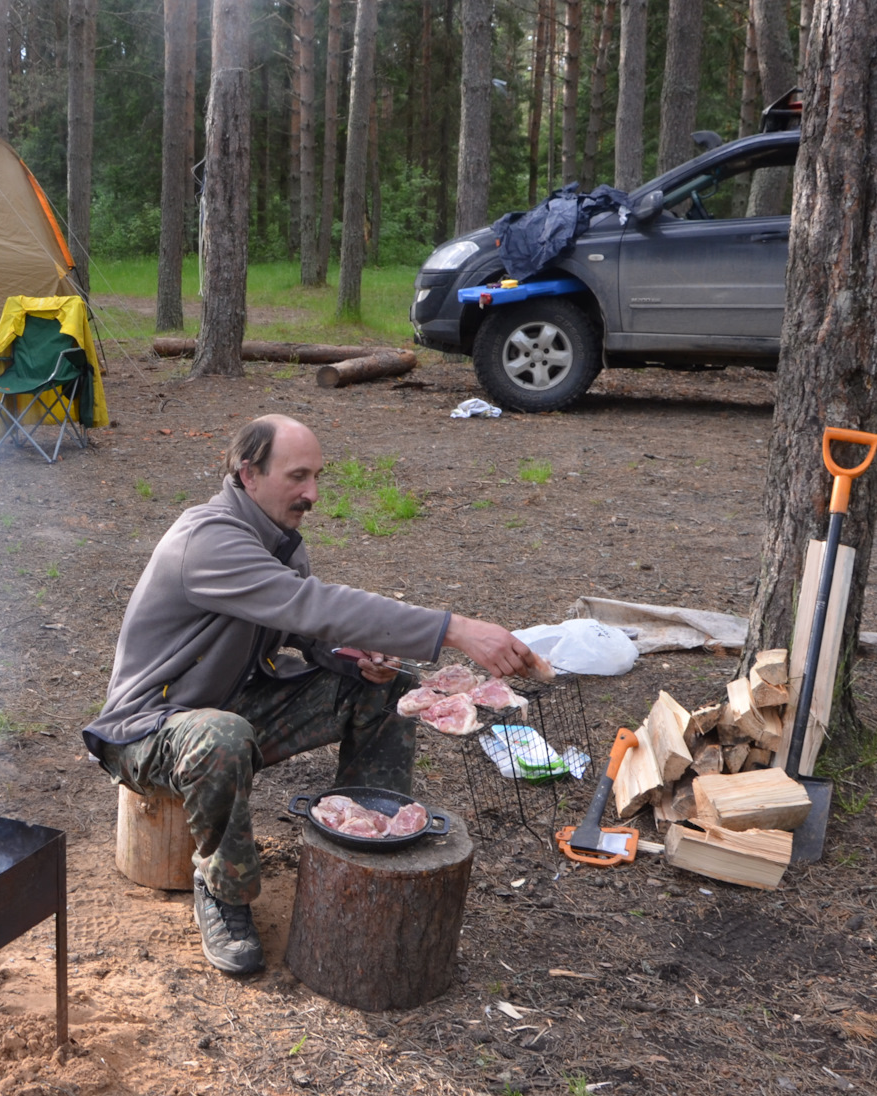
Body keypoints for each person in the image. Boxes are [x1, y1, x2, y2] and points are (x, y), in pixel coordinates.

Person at [82, 415, 541, 975]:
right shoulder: (209, 540)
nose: (313, 494)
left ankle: (364, 845)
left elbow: (307, 631)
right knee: (219, 736)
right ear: (248, 474)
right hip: (147, 730)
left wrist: (355, 658)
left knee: (388, 690)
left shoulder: (275, 540)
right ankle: (223, 894)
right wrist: (455, 628)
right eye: (298, 476)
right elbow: (314, 606)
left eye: (318, 477)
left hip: (227, 709)